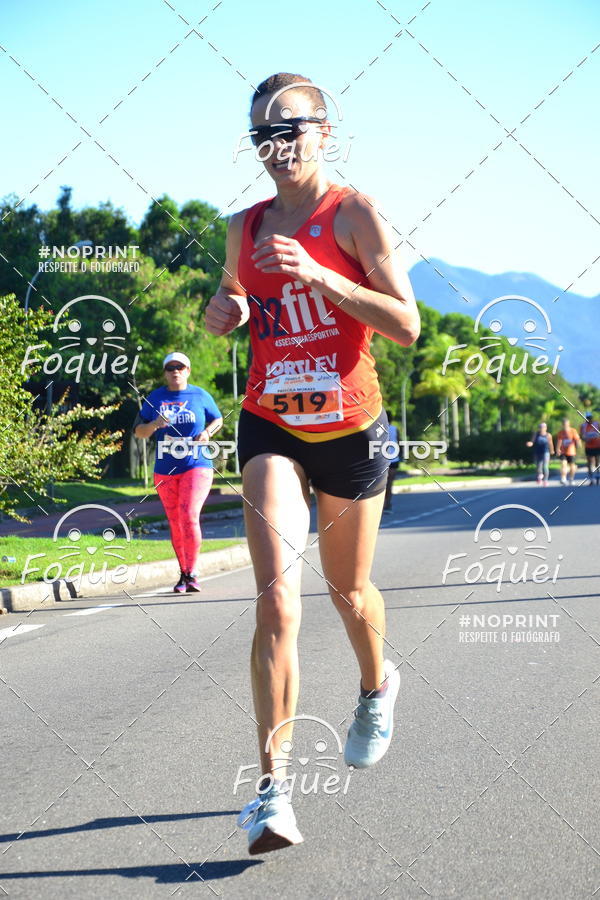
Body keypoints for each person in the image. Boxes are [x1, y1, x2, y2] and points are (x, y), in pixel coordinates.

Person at [205, 72, 420, 855]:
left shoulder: (354, 214)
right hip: (271, 422)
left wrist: (322, 275)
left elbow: (406, 323)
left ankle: (375, 686)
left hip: (352, 429)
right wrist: (224, 311)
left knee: (348, 592)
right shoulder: (242, 228)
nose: (278, 145)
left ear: (324, 132)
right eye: (263, 134)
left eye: (290, 129)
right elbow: (234, 299)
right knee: (276, 604)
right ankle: (273, 794)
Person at [134, 352, 223, 592]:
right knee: (175, 521)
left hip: (196, 464)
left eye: (180, 367)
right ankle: (183, 573)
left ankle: (192, 572)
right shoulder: (155, 398)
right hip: (165, 469)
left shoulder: (200, 395)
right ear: (165, 373)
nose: (175, 371)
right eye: (170, 368)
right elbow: (138, 432)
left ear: (188, 371)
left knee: (189, 514)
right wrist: (154, 424)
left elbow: (218, 419)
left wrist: (207, 433)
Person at [383, 410, 400, 510]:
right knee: (389, 484)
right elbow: (400, 443)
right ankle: (388, 504)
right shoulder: (395, 429)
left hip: (382, 461)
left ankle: (383, 504)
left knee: (381, 484)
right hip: (394, 459)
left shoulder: (378, 429)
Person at [555, 417, 580, 486]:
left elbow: (577, 439)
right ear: (563, 424)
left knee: (572, 466)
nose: (565, 425)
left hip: (571, 451)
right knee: (563, 464)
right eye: (564, 424)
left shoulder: (573, 431)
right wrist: (557, 449)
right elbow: (559, 441)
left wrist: (578, 444)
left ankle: (571, 479)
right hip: (563, 451)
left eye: (566, 424)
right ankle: (563, 478)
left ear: (569, 424)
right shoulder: (561, 432)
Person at [580, 412, 600, 485]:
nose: (589, 419)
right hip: (588, 446)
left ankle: (598, 475)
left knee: (597, 461)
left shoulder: (597, 424)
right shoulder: (583, 426)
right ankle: (591, 479)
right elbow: (581, 436)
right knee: (589, 463)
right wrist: (584, 439)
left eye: (590, 418)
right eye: (587, 418)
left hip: (597, 445)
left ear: (592, 418)